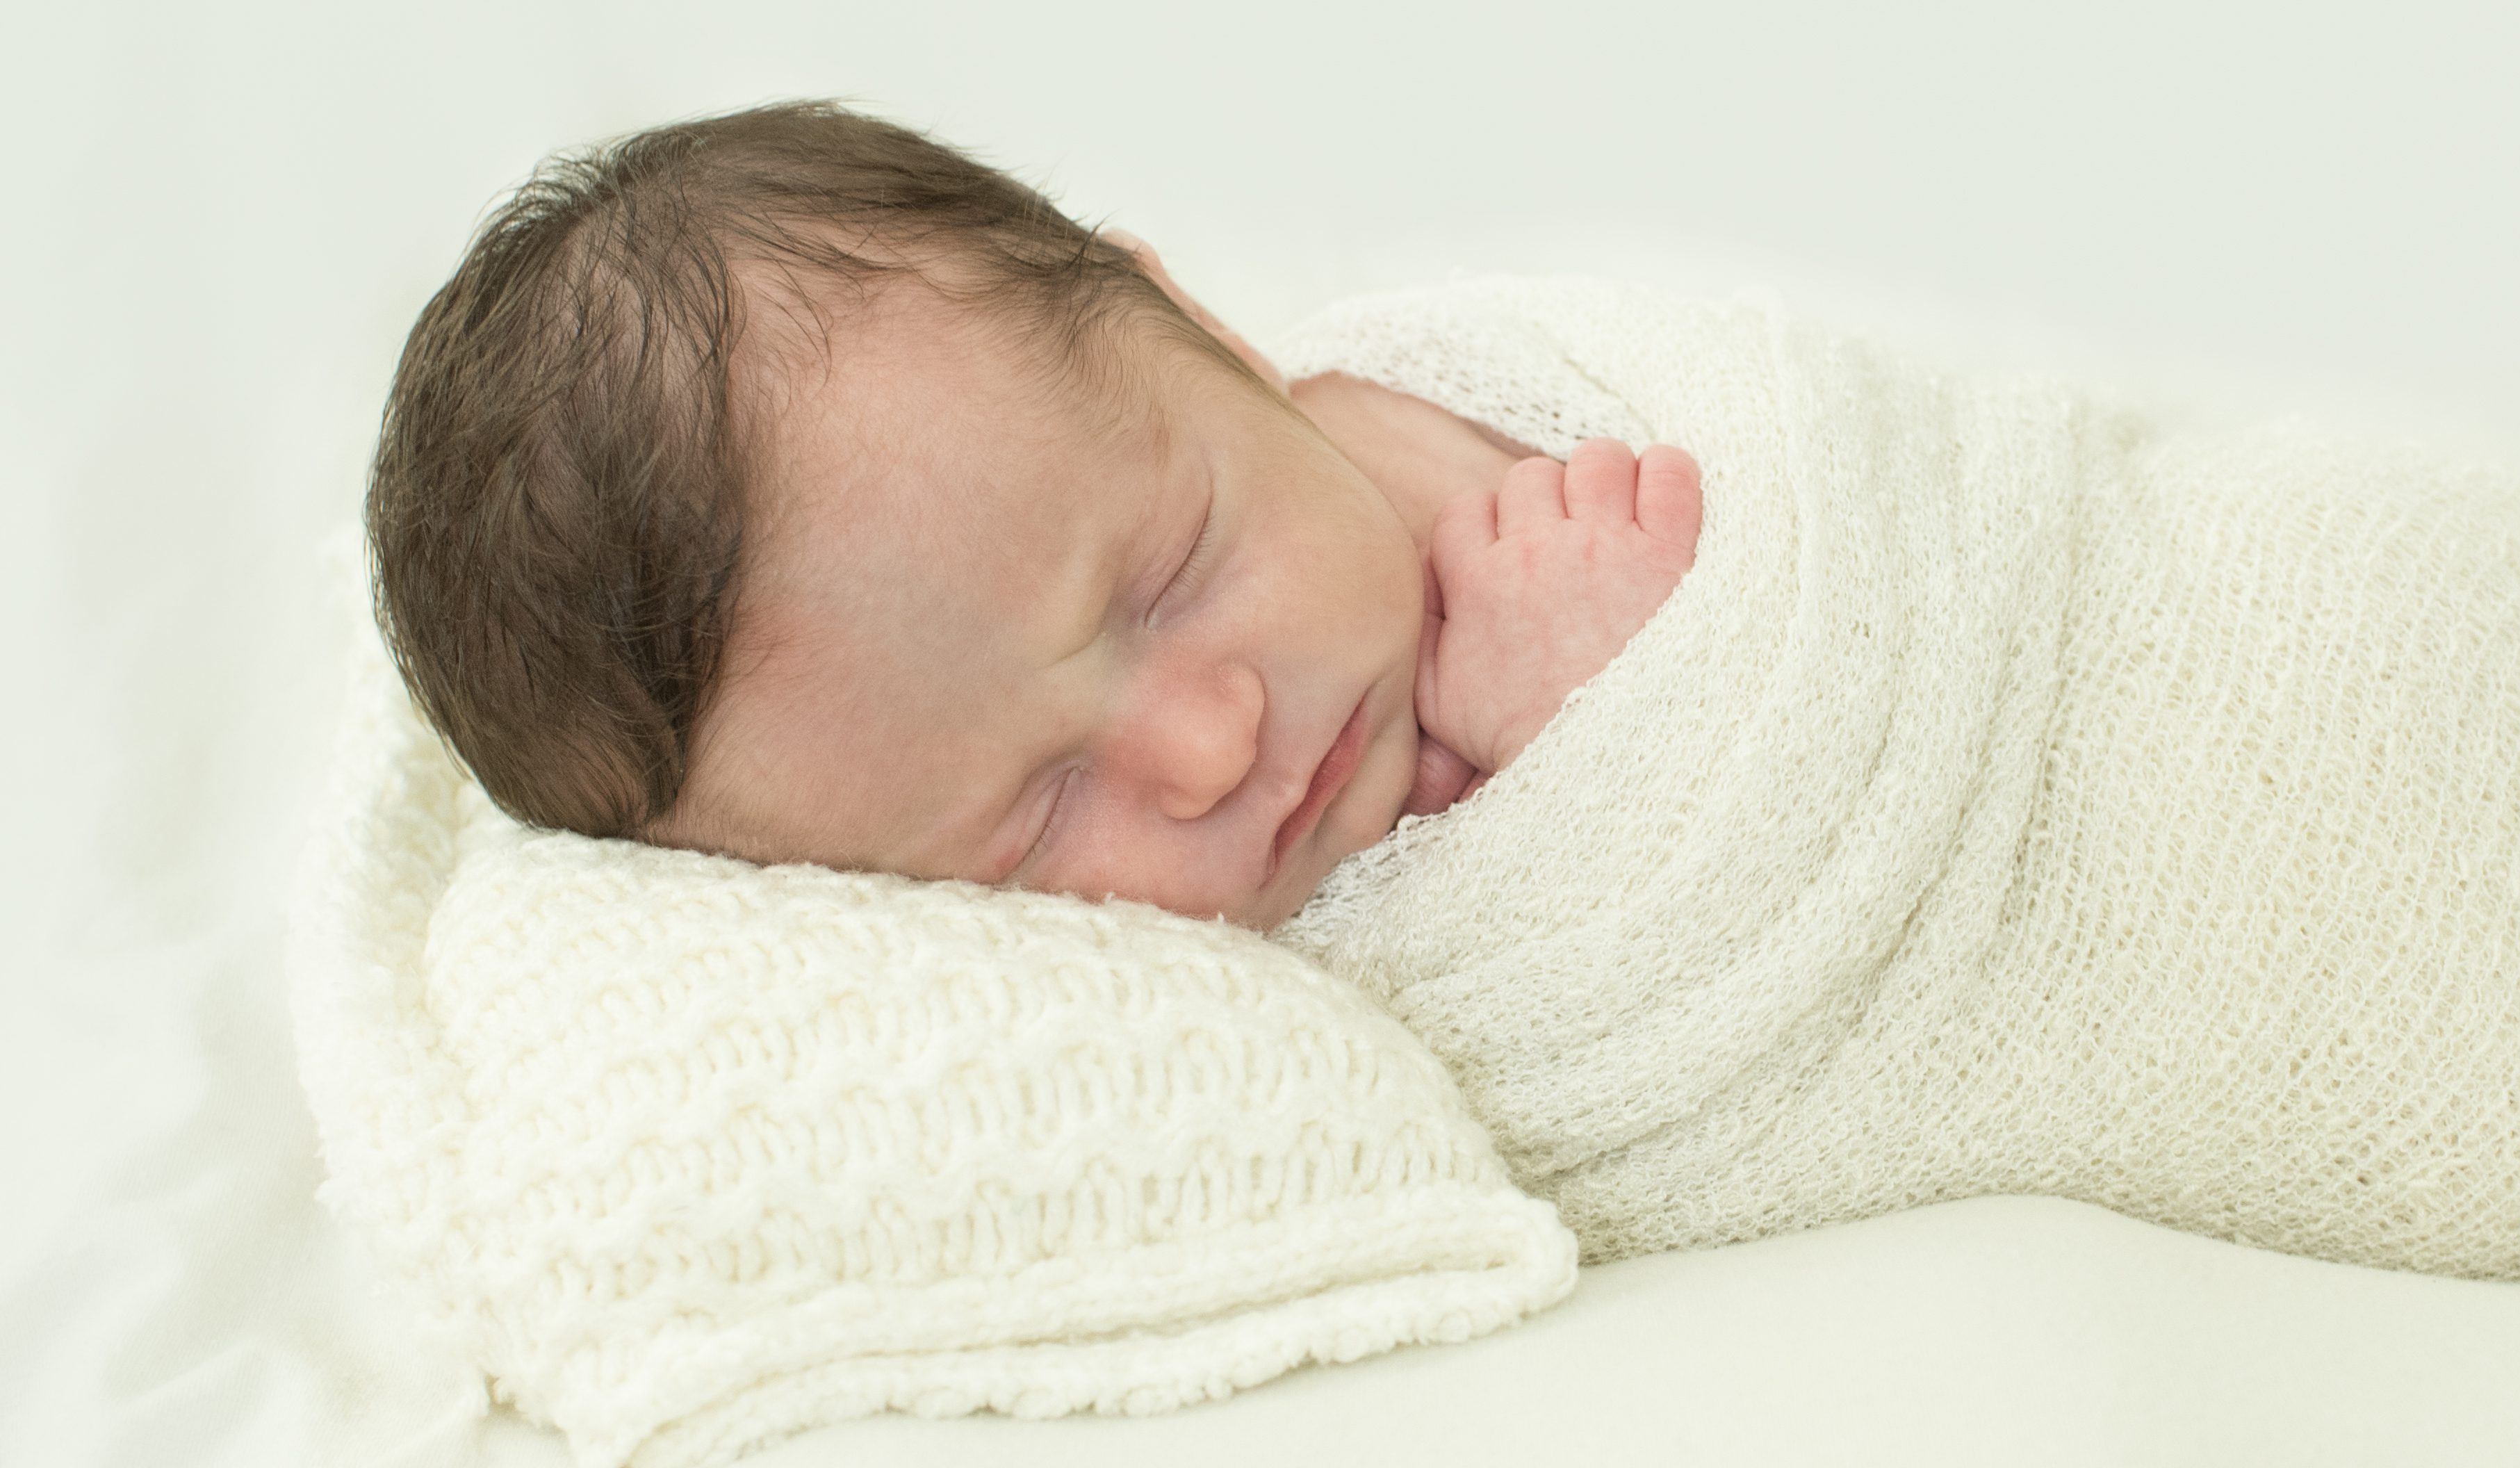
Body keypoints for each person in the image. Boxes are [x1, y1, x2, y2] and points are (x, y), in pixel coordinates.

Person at [368, 100, 1701, 931]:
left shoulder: (1482, 434)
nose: (1208, 748)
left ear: (1203, 332)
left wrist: (1644, 681)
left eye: (1174, 573)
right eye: (1039, 814)